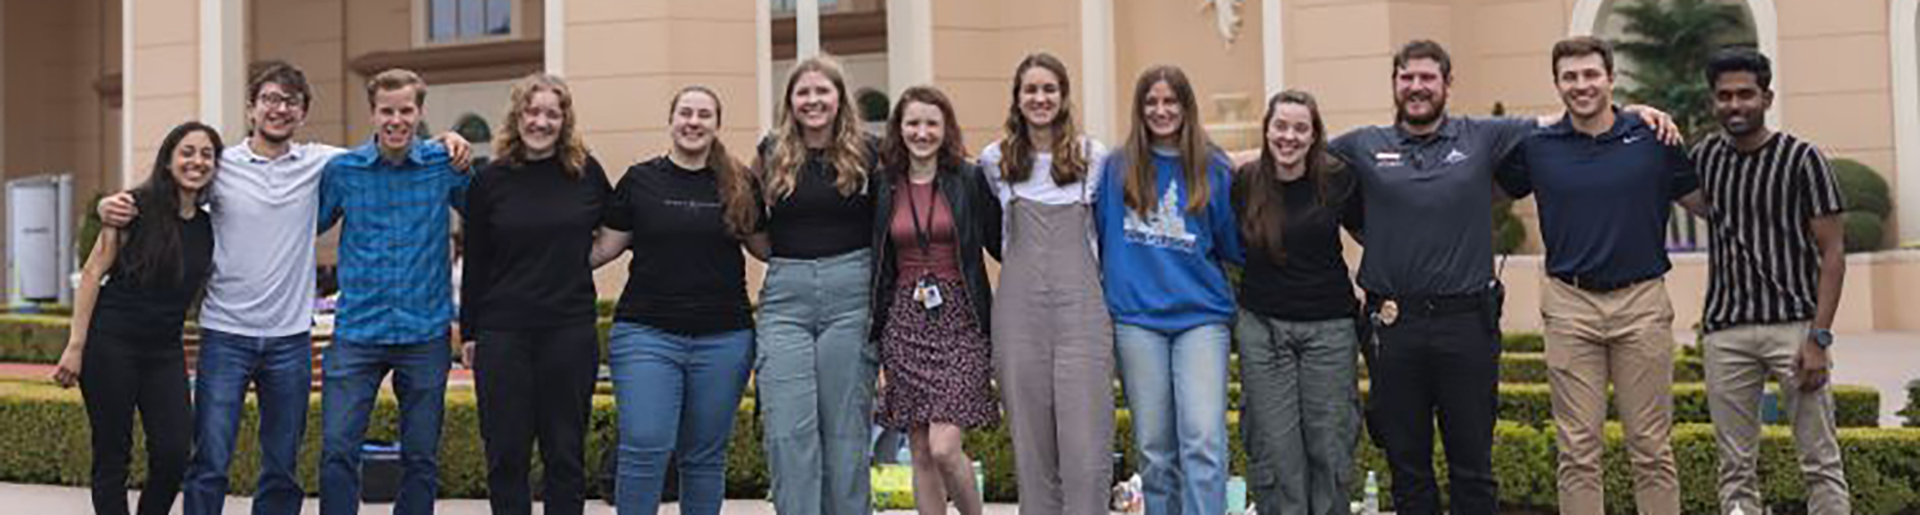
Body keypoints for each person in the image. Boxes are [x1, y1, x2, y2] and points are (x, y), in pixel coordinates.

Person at [94, 62, 470, 515]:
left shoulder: (327, 163)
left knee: (283, 467)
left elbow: (414, 164)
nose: (279, 109)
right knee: (211, 461)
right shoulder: (223, 165)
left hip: (296, 338)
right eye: (270, 99)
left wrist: (449, 140)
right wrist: (108, 203)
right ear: (252, 108)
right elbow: (169, 191)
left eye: (290, 101)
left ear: (303, 113)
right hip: (227, 334)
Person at [1496, 37, 1706, 515]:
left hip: (1641, 302)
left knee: (1652, 448)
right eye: (1569, 77)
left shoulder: (1653, 138)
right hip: (1570, 307)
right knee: (1577, 451)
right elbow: (1482, 190)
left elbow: (1704, 202)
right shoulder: (1538, 147)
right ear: (1557, 84)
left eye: (1591, 74)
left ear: (1611, 78)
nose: (1581, 85)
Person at [1692, 48, 1849, 515]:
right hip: (1726, 331)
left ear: (1767, 96)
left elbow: (1834, 253)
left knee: (1820, 459)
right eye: (1724, 96)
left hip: (1794, 327)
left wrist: (1819, 338)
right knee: (1735, 467)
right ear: (1712, 101)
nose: (1735, 105)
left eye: (1745, 94)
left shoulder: (1803, 160)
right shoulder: (1704, 158)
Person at [590, 85, 758, 515]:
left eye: (704, 115)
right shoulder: (640, 180)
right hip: (647, 334)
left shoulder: (740, 182)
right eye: (685, 112)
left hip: (724, 339)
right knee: (645, 445)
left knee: (703, 457)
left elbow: (770, 248)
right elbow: (602, 249)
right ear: (671, 120)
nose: (693, 122)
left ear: (717, 125)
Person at [316, 68, 469, 515]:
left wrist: (458, 145)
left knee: (421, 456)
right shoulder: (343, 170)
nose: (396, 120)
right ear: (372, 113)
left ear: (419, 112)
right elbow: (302, 223)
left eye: (406, 110)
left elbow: (491, 211)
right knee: (337, 449)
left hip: (425, 332)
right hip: (358, 332)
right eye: (387, 111)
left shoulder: (445, 165)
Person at [1094, 65, 1244, 515]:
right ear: (1140, 109)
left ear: (1186, 106)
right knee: (1155, 449)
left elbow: (1232, 245)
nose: (1161, 110)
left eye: (1170, 101)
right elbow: (1098, 239)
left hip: (1200, 319)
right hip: (1137, 321)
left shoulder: (1213, 168)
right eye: (1151, 102)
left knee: (1203, 440)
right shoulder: (1116, 169)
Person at [52, 121, 222, 515]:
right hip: (111, 344)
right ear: (168, 159)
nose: (196, 161)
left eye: (207, 154)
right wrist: (75, 348)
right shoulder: (132, 206)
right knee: (113, 455)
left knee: (175, 451)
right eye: (187, 152)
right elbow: (93, 272)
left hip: (164, 351)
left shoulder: (207, 225)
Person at [459, 73, 609, 515]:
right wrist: (470, 331)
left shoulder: (586, 173)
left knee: (564, 453)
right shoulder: (489, 180)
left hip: (569, 330)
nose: (540, 121)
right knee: (506, 454)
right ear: (517, 116)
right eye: (532, 111)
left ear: (565, 121)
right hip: (504, 332)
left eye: (551, 113)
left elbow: (620, 227)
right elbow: (477, 261)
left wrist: (578, 261)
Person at [977, 52, 1115, 515]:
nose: (1040, 98)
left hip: (1081, 315)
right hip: (1019, 318)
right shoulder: (994, 161)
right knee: (1031, 444)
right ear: (1017, 99)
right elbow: (991, 238)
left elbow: (1110, 238)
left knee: (1086, 444)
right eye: (1030, 90)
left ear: (1063, 96)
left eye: (1048, 89)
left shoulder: (1094, 158)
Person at [749, 55, 882, 515]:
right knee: (788, 428)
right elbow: (752, 228)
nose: (812, 100)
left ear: (839, 98)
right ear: (790, 101)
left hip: (852, 294)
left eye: (822, 91)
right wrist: (793, 267)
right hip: (786, 296)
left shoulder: (869, 152)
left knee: (845, 429)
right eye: (802, 92)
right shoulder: (771, 152)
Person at [869, 86, 1003, 515]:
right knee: (921, 450)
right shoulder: (884, 184)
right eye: (913, 123)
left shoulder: (969, 178)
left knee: (946, 447)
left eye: (931, 123)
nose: (921, 132)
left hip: (960, 317)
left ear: (946, 130)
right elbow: (878, 259)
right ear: (899, 129)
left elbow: (1000, 240)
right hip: (905, 320)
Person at [1230, 90, 1363, 515]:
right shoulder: (1246, 181)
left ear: (1314, 134)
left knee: (1330, 445)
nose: (1289, 136)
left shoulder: (1338, 178)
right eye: (1280, 126)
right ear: (1267, 130)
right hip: (1263, 330)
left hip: (1329, 329)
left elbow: (1370, 232)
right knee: (1275, 450)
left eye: (1300, 128)